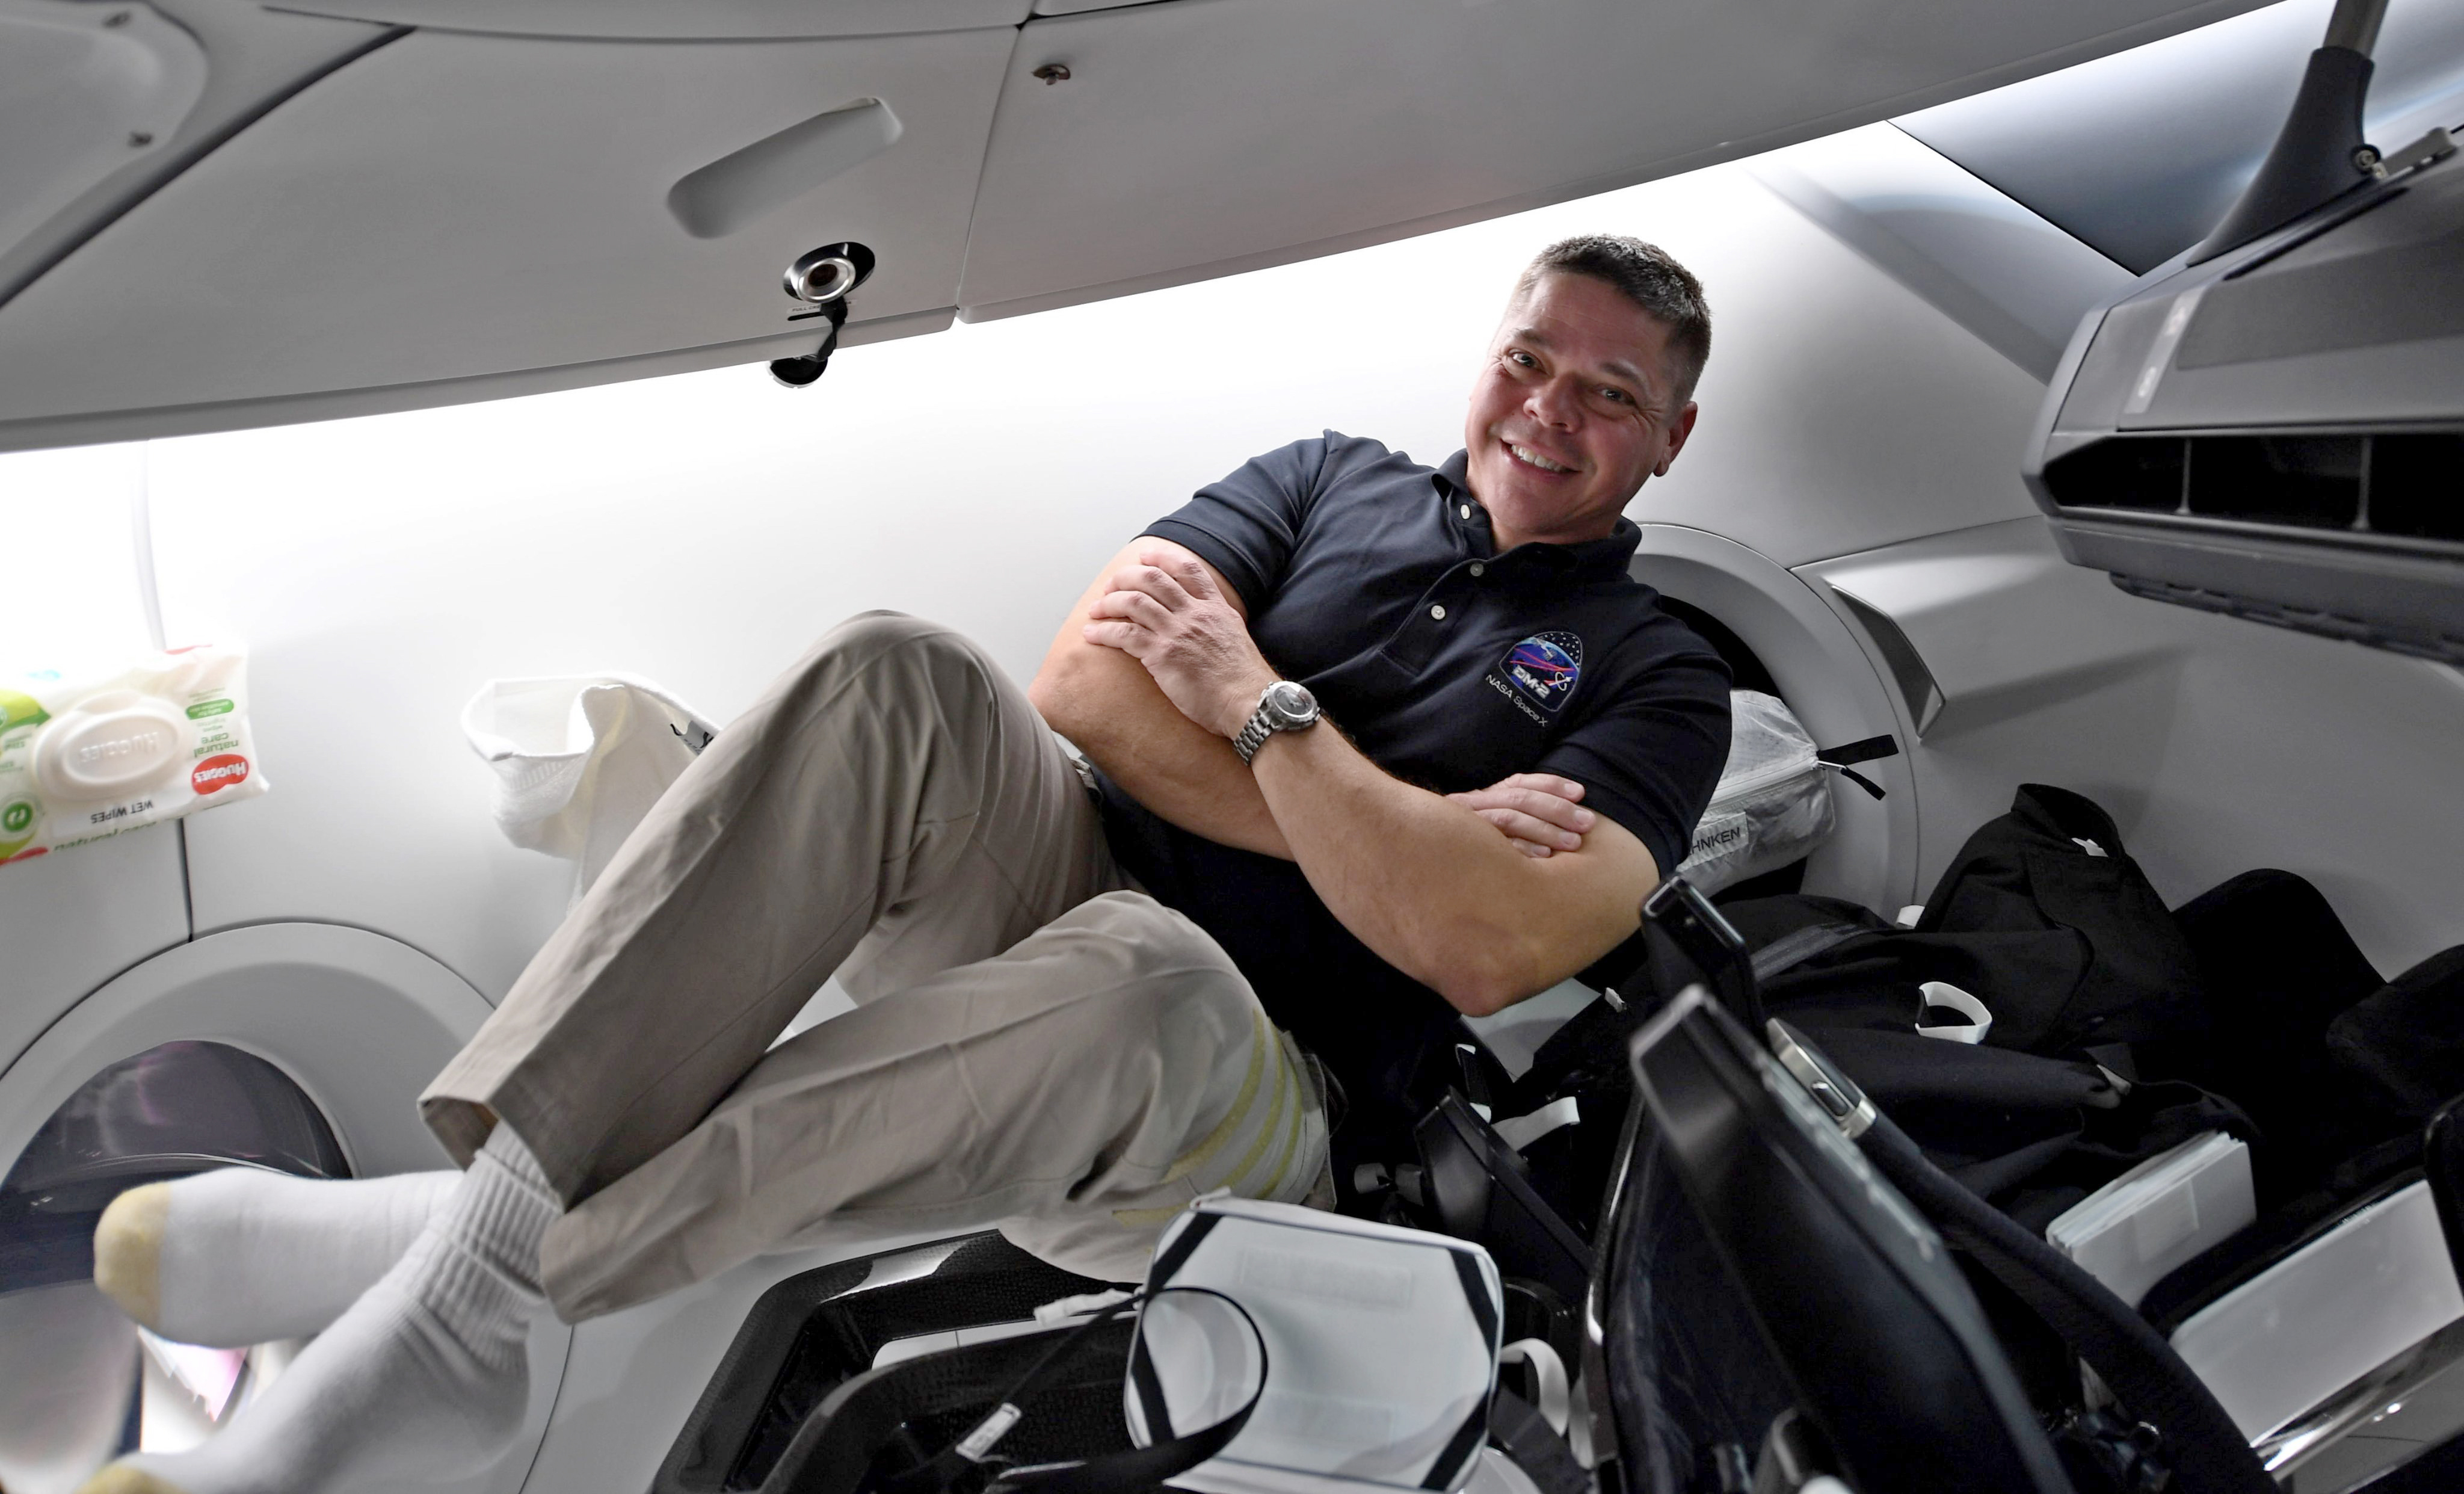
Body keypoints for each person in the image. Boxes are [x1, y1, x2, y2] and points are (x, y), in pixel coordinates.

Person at [78, 234, 1731, 1494]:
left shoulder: (1658, 676)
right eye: (1533, 359)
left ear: (1672, 435)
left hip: (1266, 1094)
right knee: (897, 671)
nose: (1551, 409)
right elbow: (1080, 689)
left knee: (1152, 972)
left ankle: (466, 1294)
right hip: (1067, 877)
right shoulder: (1327, 480)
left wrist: (1250, 697)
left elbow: (1472, 945)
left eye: (1611, 394)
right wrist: (1389, 822)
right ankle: (468, 1264)